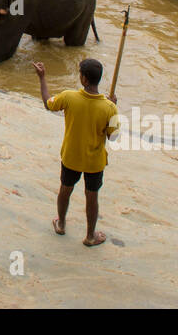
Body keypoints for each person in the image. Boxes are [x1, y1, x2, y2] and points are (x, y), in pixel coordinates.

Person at [36, 58, 119, 247]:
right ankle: (90, 236)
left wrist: (42, 77)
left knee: (65, 189)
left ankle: (61, 223)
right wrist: (115, 108)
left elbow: (47, 103)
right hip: (94, 161)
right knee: (92, 196)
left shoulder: (69, 97)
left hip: (71, 157)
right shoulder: (109, 107)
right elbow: (113, 137)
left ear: (84, 79)